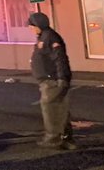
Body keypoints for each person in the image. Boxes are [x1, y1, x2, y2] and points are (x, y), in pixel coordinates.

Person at [28, 12, 75, 149]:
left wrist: (62, 78)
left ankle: (53, 138)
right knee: (59, 108)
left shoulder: (50, 37)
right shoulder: (44, 36)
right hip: (50, 79)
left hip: (52, 80)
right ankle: (66, 138)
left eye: (32, 26)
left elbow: (59, 58)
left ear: (37, 25)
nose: (31, 29)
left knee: (50, 109)